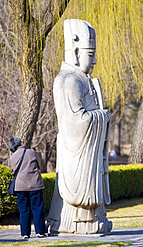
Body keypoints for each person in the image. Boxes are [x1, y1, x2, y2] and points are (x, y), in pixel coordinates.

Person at [47, 19, 112, 234]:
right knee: (72, 195)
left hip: (87, 152)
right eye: (90, 55)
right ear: (76, 52)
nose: (94, 61)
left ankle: (91, 219)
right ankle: (73, 223)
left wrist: (101, 117)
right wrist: (102, 116)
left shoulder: (83, 79)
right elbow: (75, 121)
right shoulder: (68, 80)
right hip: (75, 150)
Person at [8, 137, 46, 239]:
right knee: (37, 208)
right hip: (35, 184)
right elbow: (40, 165)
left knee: (24, 210)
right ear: (20, 143)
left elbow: (12, 171)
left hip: (20, 186)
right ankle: (40, 231)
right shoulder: (31, 152)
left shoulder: (12, 157)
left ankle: (25, 233)